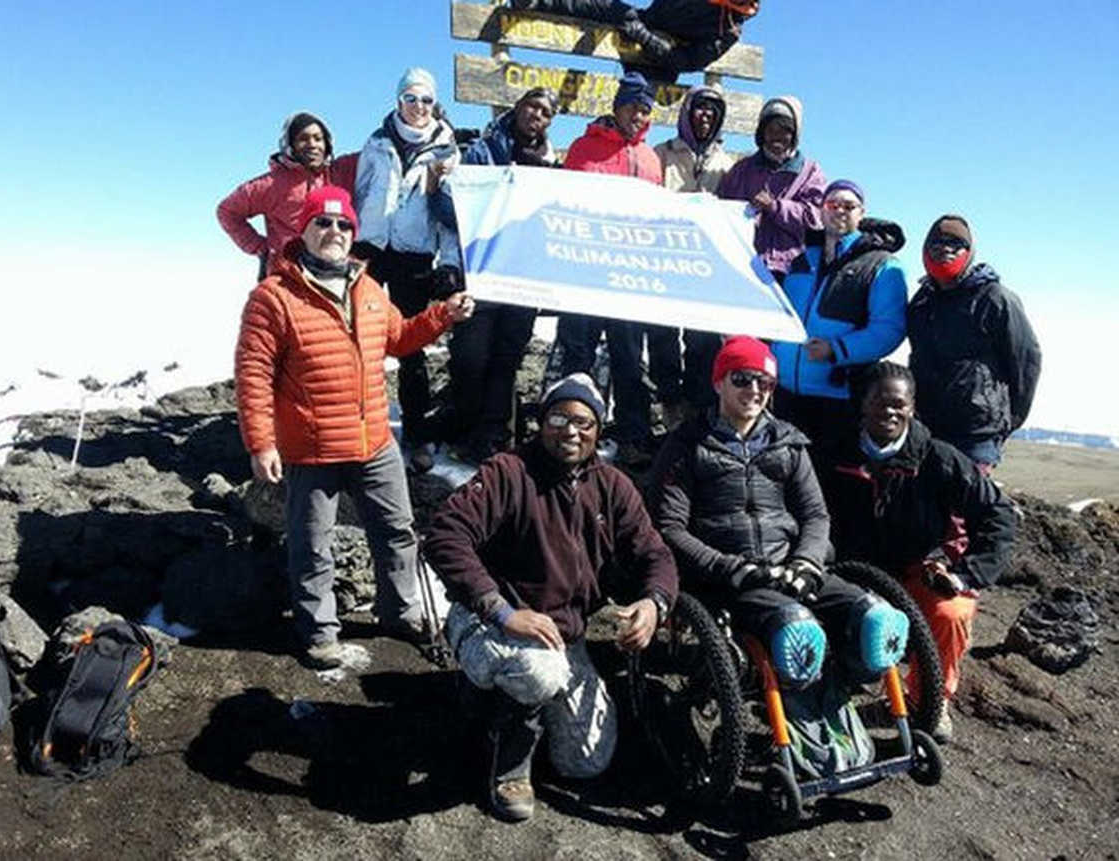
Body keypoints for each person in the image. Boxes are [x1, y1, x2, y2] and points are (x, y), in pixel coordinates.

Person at [234, 185, 475, 670]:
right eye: (323, 223)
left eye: (344, 224)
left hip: (374, 441)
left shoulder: (366, 289)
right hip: (311, 446)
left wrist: (442, 316)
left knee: (397, 532)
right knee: (311, 544)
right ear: (302, 230)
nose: (335, 232)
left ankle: (399, 611)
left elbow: (400, 338)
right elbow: (253, 375)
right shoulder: (272, 296)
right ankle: (319, 630)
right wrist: (262, 443)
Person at [424, 374, 678, 822]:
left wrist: (653, 603)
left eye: (584, 421)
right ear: (541, 422)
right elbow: (445, 535)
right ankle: (507, 751)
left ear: (599, 431)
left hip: (562, 633)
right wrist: (501, 609)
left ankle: (511, 701)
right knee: (537, 672)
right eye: (558, 417)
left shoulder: (613, 486)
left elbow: (654, 552)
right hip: (491, 619)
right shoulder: (508, 472)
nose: (571, 430)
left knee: (585, 761)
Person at [649, 336, 909, 706]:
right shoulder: (685, 445)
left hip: (792, 568)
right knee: (795, 628)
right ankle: (800, 688)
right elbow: (670, 528)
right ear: (718, 381)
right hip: (730, 579)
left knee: (876, 618)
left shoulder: (788, 442)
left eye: (765, 382)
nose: (754, 390)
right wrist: (731, 568)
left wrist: (806, 561)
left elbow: (815, 514)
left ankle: (841, 683)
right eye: (741, 379)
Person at [821, 362, 1017, 742]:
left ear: (912, 407)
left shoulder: (938, 458)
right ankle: (831, 692)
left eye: (899, 403)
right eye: (879, 400)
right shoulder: (834, 454)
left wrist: (965, 574)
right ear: (863, 403)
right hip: (849, 572)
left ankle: (927, 703)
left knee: (950, 611)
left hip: (917, 570)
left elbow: (998, 514)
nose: (889, 410)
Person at [438, 88, 561, 462]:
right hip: (481, 270)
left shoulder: (554, 167)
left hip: (523, 275)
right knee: (471, 355)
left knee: (507, 357)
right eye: (531, 106)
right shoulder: (482, 151)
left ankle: (492, 436)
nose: (536, 115)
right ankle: (464, 426)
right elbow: (447, 208)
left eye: (545, 112)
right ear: (518, 108)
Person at [354, 68, 462, 473]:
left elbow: (453, 217)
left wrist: (448, 263)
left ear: (435, 105)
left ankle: (416, 433)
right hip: (371, 251)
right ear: (398, 101)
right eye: (411, 99)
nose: (418, 107)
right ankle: (355, 425)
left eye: (426, 100)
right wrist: (357, 241)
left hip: (415, 255)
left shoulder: (446, 149)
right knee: (356, 337)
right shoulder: (377, 142)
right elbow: (361, 193)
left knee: (411, 347)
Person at [559, 72, 664, 466]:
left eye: (645, 109)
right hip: (583, 273)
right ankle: (568, 430)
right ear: (617, 106)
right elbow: (562, 202)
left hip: (628, 276)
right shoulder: (583, 147)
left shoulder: (651, 158)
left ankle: (633, 434)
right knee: (577, 354)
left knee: (629, 358)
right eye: (633, 106)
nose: (639, 115)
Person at [770, 179, 908, 452]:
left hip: (839, 396)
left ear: (862, 213)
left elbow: (889, 329)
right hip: (785, 394)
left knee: (829, 484)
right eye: (832, 204)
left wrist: (837, 350)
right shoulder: (799, 258)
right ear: (822, 210)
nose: (840, 211)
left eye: (849, 205)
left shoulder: (882, 264)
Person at [907, 215, 1042, 470]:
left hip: (977, 434)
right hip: (927, 428)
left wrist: (1007, 421)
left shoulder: (995, 299)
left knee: (967, 507)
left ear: (969, 252)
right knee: (925, 506)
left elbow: (1027, 362)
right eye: (936, 244)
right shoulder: (921, 302)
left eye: (955, 244)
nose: (945, 249)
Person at [652, 85, 740, 425]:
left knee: (703, 340)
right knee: (661, 335)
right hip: (662, 259)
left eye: (712, 111)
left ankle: (697, 407)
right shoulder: (661, 153)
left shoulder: (727, 165)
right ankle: (669, 402)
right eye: (699, 109)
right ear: (687, 112)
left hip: (705, 266)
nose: (705, 116)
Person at [217, 112, 358, 279]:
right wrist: (260, 248)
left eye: (318, 138)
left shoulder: (341, 171)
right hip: (288, 275)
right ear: (289, 144)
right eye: (303, 139)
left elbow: (378, 152)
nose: (312, 144)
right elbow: (227, 211)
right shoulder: (271, 184)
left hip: (334, 271)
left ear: (327, 144)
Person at [716, 96, 825, 285]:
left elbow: (817, 218)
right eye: (771, 129)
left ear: (794, 135)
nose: (777, 136)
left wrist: (776, 207)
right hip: (742, 268)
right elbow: (721, 211)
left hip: (792, 272)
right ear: (761, 133)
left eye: (785, 130)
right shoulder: (741, 170)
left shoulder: (810, 172)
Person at [509, 0, 760, 82]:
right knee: (608, 7)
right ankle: (535, 2)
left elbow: (688, 61)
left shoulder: (730, 28)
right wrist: (639, 27)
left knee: (637, 95)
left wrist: (643, 37)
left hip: (660, 65)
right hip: (643, 22)